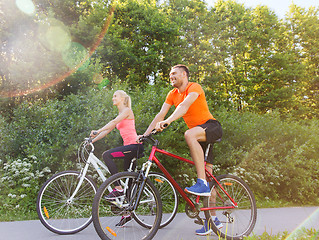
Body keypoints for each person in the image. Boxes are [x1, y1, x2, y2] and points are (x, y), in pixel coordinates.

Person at [138, 64, 223, 235]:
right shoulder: (172, 94)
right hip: (199, 135)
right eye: (170, 74)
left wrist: (168, 122)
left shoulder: (194, 87)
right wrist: (145, 134)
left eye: (174, 73)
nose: (171, 76)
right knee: (208, 177)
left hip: (210, 127)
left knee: (189, 135)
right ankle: (213, 221)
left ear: (184, 74)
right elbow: (159, 115)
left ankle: (201, 183)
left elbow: (184, 106)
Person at [90, 90, 143, 227]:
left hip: (134, 147)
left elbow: (113, 122)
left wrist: (97, 130)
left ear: (122, 98)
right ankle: (127, 213)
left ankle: (117, 188)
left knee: (107, 155)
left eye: (115, 96)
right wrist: (92, 140)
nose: (113, 98)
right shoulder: (120, 114)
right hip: (128, 149)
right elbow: (108, 130)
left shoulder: (127, 111)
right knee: (129, 180)